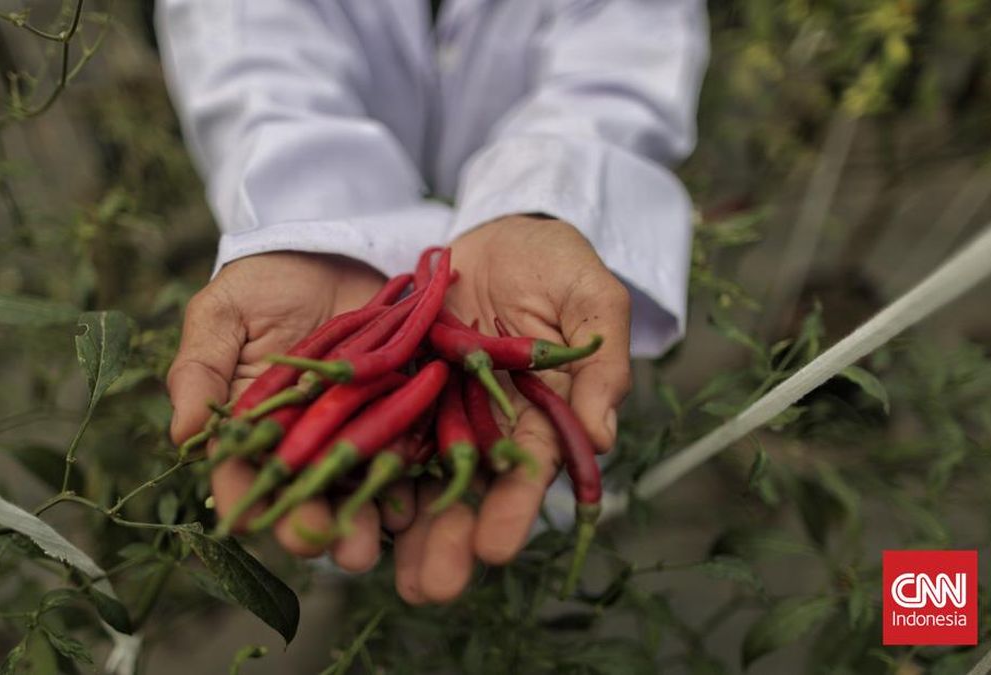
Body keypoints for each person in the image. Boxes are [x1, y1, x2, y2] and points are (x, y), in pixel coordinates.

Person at [156, 0, 708, 605]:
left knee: (508, 540)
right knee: (370, 536)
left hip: (521, 299)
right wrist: (310, 227)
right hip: (384, 267)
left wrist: (541, 204)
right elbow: (251, 51)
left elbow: (625, 59)